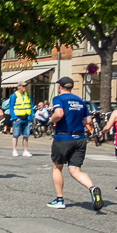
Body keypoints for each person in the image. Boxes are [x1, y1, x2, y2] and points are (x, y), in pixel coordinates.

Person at [47, 77, 103, 211]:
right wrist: (77, 124)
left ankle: (59, 199)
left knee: (57, 167)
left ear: (60, 86)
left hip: (63, 138)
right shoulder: (80, 100)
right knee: (75, 170)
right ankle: (92, 188)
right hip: (80, 138)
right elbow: (88, 119)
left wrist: (51, 120)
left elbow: (59, 113)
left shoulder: (59, 99)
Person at [8, 82, 33, 157]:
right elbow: (11, 107)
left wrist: (31, 115)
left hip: (26, 117)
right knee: (15, 135)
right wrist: (15, 117)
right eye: (23, 86)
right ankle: (14, 150)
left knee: (26, 135)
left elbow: (31, 105)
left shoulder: (28, 95)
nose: (25, 87)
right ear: (18, 87)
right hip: (18, 118)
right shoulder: (14, 96)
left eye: (25, 86)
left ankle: (25, 150)